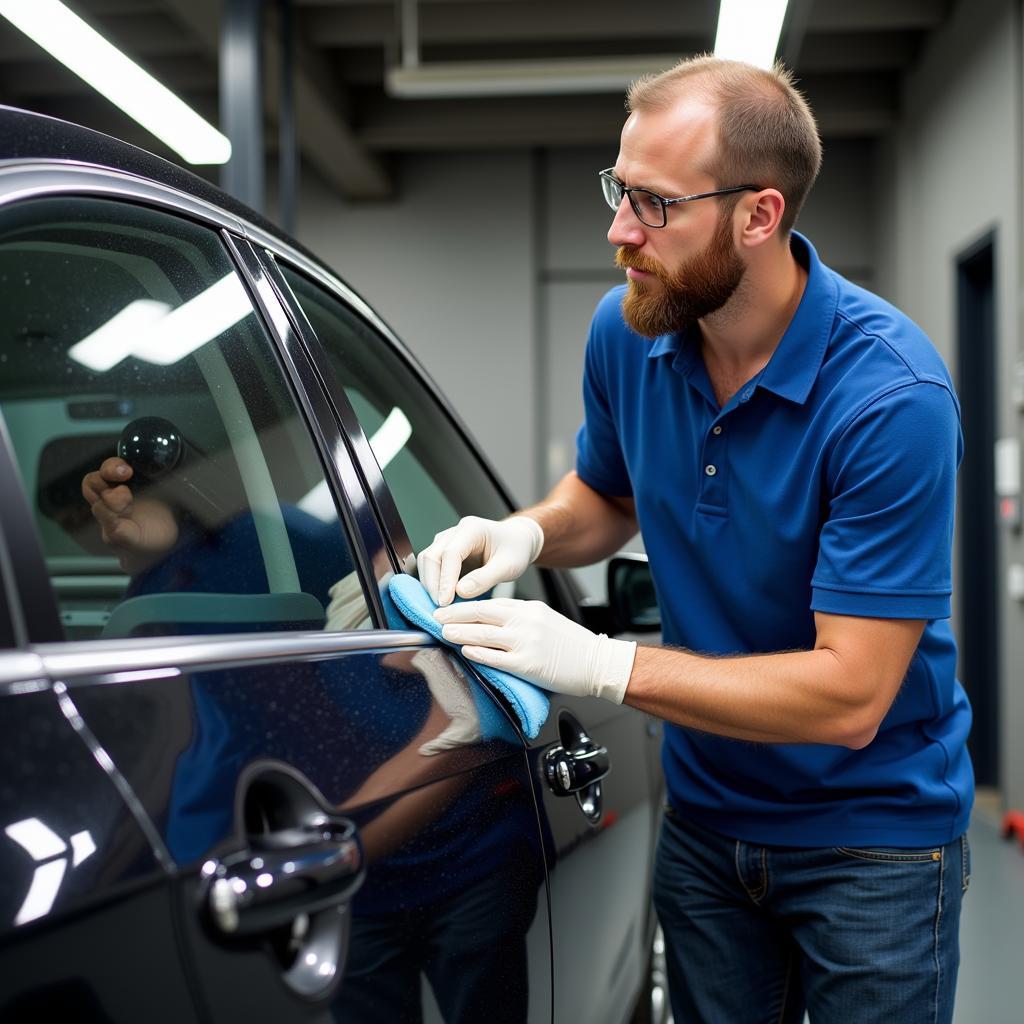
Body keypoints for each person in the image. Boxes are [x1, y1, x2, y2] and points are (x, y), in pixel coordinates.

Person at [416, 55, 973, 1024]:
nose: (618, 230)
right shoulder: (630, 329)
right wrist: (525, 532)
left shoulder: (891, 399)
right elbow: (604, 493)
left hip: (872, 839)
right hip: (707, 823)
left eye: (653, 204)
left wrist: (606, 665)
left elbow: (850, 694)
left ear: (757, 216)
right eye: (616, 189)